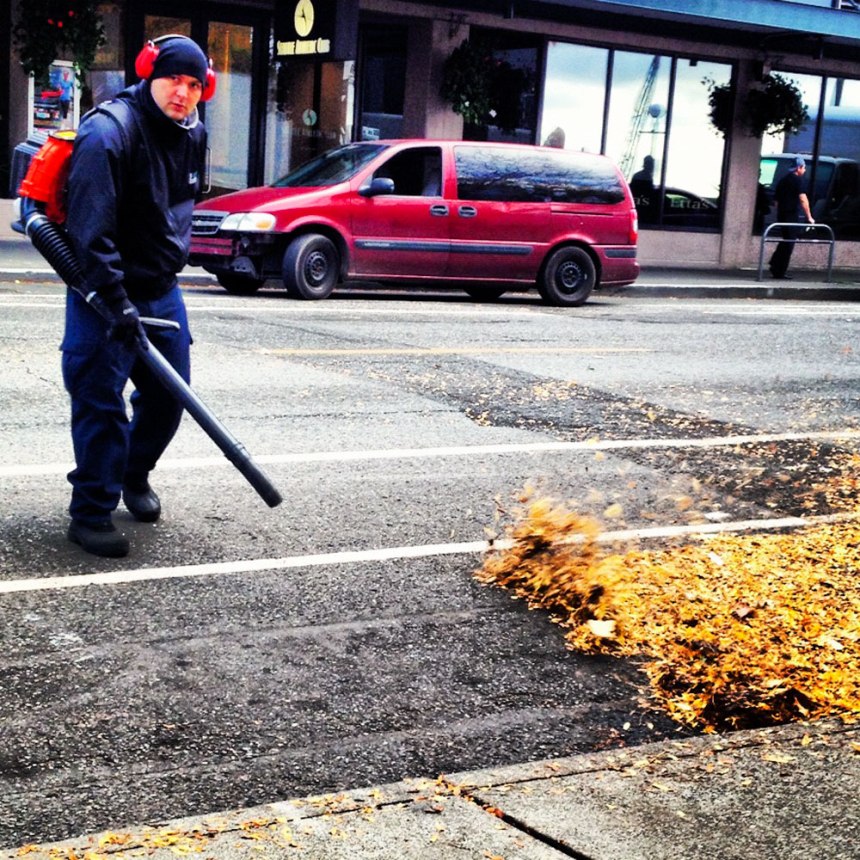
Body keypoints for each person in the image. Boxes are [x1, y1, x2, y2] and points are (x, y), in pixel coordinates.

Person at [62, 35, 212, 557]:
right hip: (103, 293)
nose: (184, 93)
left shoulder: (193, 133)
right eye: (175, 79)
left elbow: (180, 207)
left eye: (195, 84)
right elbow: (88, 230)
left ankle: (133, 472)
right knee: (100, 401)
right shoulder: (109, 131)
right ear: (151, 74)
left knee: (170, 398)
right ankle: (91, 511)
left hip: (160, 290)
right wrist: (114, 298)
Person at [769, 156, 814, 280]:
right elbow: (803, 199)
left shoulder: (783, 181)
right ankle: (779, 270)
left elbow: (776, 202)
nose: (804, 170)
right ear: (799, 168)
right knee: (789, 243)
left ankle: (775, 264)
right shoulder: (797, 180)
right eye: (804, 168)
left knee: (785, 240)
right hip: (791, 216)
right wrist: (809, 217)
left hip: (782, 215)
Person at [629, 155, 657, 223]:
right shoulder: (645, 177)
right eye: (651, 164)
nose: (652, 167)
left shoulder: (637, 175)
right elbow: (649, 191)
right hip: (642, 206)